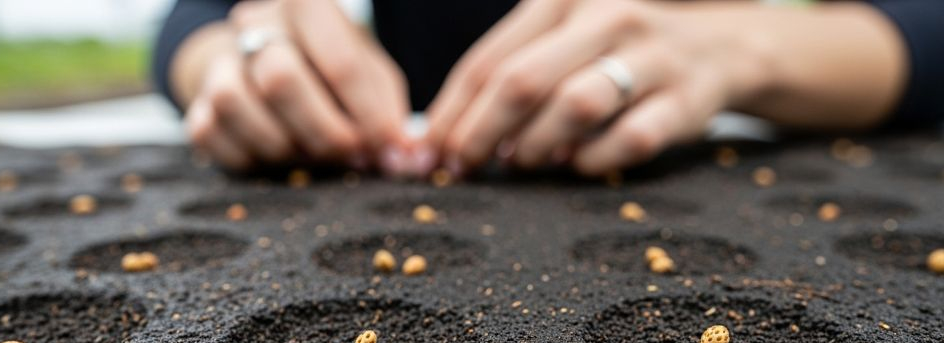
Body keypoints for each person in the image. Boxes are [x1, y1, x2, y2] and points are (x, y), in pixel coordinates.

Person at [154, 0, 944, 176]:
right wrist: (239, 55)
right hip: (404, 169)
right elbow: (191, 20)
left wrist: (742, 50)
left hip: (684, 163)